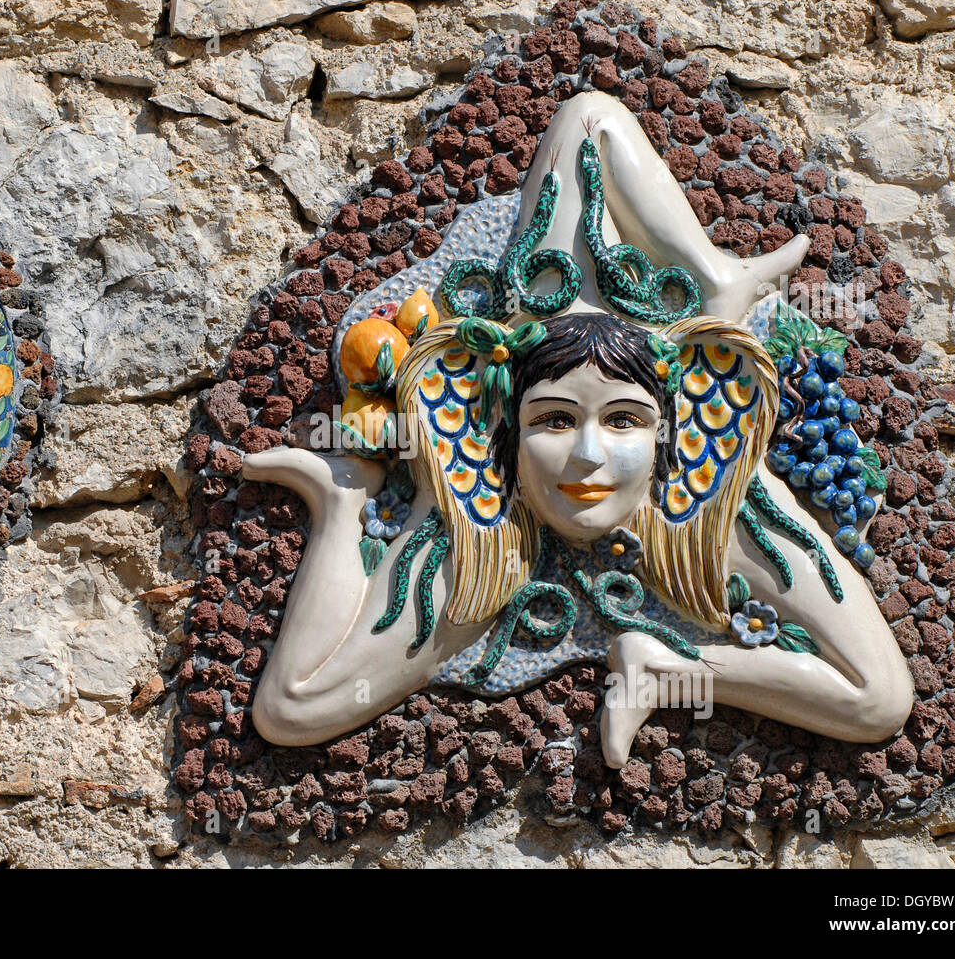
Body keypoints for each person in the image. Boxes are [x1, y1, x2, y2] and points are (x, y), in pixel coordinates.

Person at [244, 310, 913, 768]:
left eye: (624, 421)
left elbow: (875, 699)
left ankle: (659, 670)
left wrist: (683, 675)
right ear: (502, 440)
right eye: (555, 421)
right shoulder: (471, 541)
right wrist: (343, 507)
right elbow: (290, 709)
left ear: (672, 436)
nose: (589, 457)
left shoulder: (729, 518)